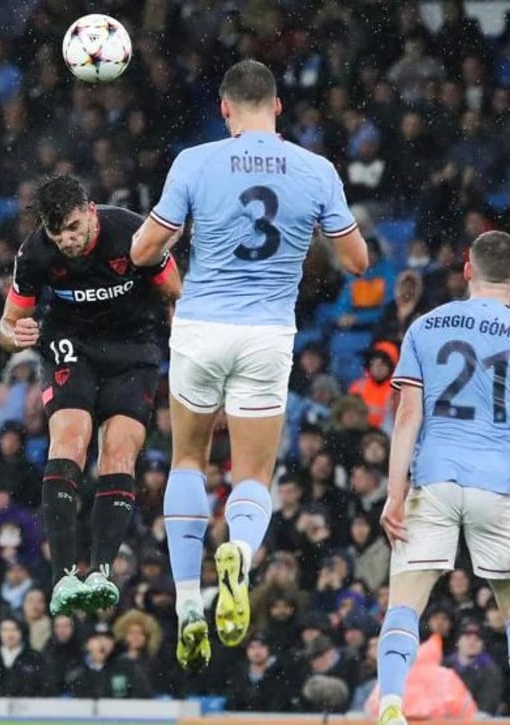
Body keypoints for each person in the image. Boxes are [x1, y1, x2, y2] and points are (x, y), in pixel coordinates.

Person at [131, 59, 369, 669]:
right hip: (266, 333)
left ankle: (188, 600)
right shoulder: (315, 170)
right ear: (279, 107)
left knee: (187, 458)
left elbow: (143, 250)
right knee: (253, 474)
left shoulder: (195, 162)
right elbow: (358, 261)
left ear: (226, 109)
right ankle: (239, 547)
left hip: (201, 325)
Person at [374, 231, 510, 725]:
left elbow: (408, 415)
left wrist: (395, 493)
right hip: (498, 487)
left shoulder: (424, 327)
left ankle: (391, 701)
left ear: (467, 270)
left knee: (406, 601)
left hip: (435, 480)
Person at [0, 175, 181, 616]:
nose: (68, 241)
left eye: (74, 228)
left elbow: (177, 294)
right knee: (70, 442)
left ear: (91, 210)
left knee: (119, 453)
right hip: (71, 345)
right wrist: (15, 333)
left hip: (134, 347)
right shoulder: (36, 252)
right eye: (58, 233)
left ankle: (100, 571)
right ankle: (63, 576)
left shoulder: (133, 232)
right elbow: (6, 327)